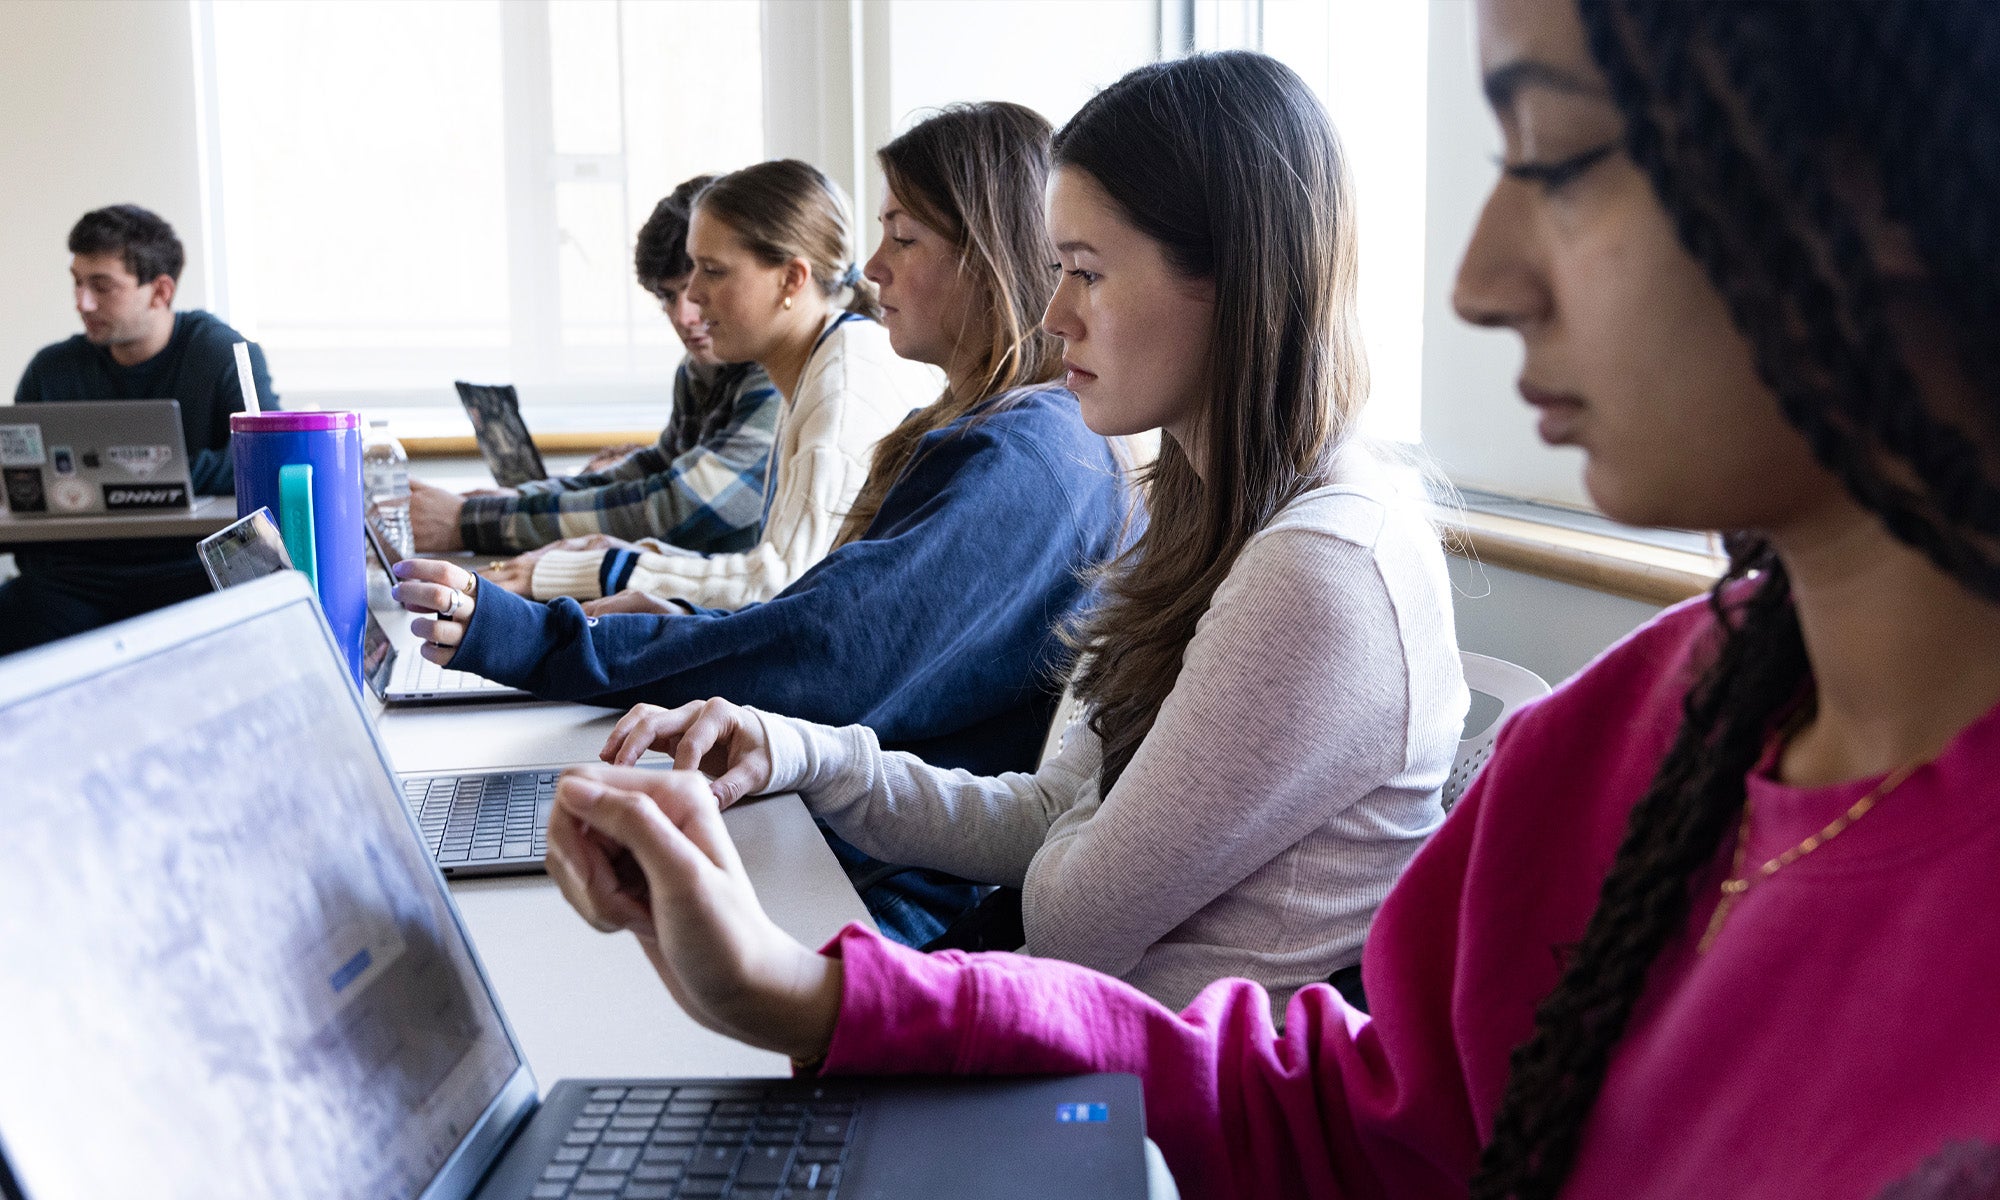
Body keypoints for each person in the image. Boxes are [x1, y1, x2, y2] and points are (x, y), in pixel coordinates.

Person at [538, 10, 2000, 1197]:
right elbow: (1347, 1114)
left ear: (1897, 170)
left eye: (1556, 157)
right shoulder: (1633, 730)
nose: (1482, 281)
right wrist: (817, 989)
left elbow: (1074, 895)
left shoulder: (1323, 562)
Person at [583, 50, 1466, 1013]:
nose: (1054, 317)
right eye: (1055, 272)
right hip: (1089, 1039)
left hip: (1167, 1121)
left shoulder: (1318, 568)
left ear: (1235, 280)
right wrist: (798, 751)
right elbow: (1052, 815)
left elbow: (1070, 919)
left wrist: (1058, 847)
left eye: (1086, 273)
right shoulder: (1189, 509)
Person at [393, 105, 1129, 944]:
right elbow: (828, 618)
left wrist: (533, 638)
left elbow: (826, 652)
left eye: (904, 237)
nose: (873, 267)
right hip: (852, 845)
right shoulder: (984, 429)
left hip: (893, 892)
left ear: (985, 255)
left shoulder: (1025, 454)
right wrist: (684, 626)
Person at [405, 176, 786, 592]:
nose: (683, 317)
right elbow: (657, 467)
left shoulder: (771, 369)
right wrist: (507, 504)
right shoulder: (700, 370)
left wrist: (468, 524)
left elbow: (684, 502)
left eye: (696, 289)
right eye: (666, 297)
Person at [1, 204, 276, 654]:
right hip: (75, 582)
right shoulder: (50, 371)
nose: (82, 302)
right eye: (77, 282)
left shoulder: (222, 354)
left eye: (101, 287)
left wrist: (161, 476)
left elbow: (265, 457)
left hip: (193, 571)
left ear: (160, 291)